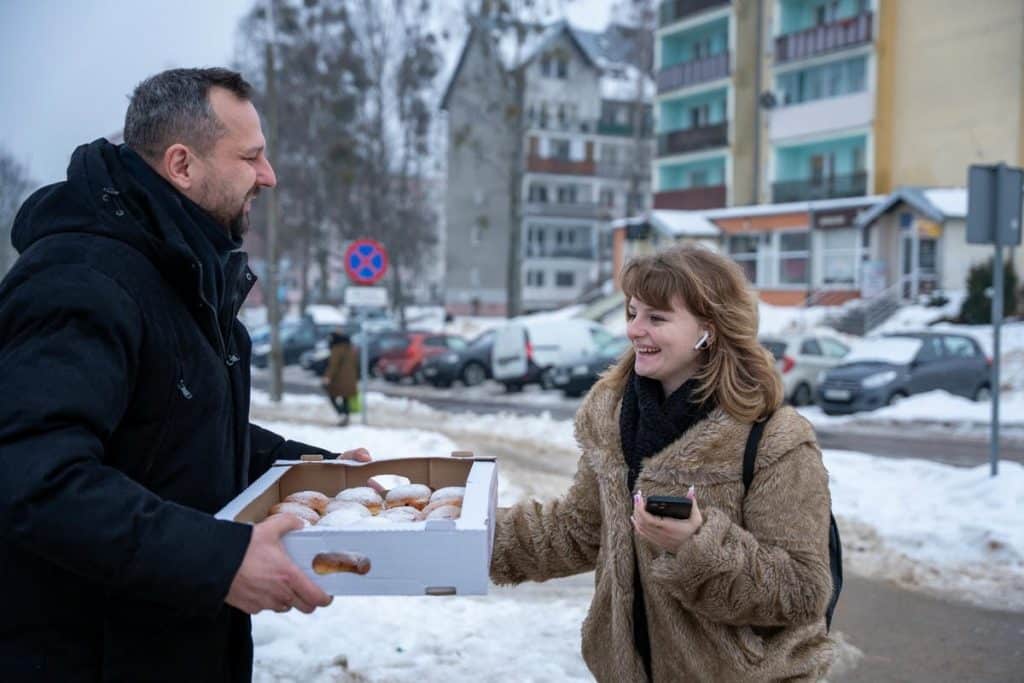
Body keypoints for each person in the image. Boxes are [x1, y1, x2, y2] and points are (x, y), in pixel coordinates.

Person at [0, 68, 371, 682]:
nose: (269, 176)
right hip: (88, 656)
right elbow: (34, 476)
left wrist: (315, 471)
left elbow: (175, 433)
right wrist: (218, 562)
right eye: (251, 157)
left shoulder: (179, 271)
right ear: (181, 165)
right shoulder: (81, 279)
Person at [490, 244, 835, 682]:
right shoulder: (613, 417)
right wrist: (467, 537)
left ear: (708, 328)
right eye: (632, 313)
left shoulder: (773, 439)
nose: (635, 330)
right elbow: (578, 529)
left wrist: (696, 546)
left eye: (656, 318)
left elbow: (802, 590)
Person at [322, 331, 360, 425]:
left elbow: (333, 365)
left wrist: (327, 377)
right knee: (345, 398)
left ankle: (341, 414)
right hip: (351, 379)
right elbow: (356, 364)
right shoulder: (351, 349)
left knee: (332, 395)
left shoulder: (336, 349)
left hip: (338, 380)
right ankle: (345, 416)